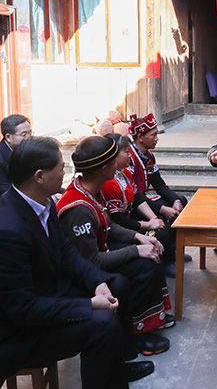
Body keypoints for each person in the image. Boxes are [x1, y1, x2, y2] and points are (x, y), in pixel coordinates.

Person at [0, 136, 154, 389]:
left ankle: (116, 366)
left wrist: (98, 283)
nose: (66, 172)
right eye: (60, 167)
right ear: (39, 176)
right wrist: (89, 304)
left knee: (116, 283)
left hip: (44, 295)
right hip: (16, 333)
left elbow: (67, 253)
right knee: (102, 322)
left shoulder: (40, 203)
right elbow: (23, 309)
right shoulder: (5, 231)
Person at [57, 134, 173, 356]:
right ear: (104, 168)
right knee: (144, 266)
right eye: (113, 159)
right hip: (84, 273)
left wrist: (139, 237)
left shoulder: (91, 189)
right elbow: (91, 261)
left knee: (151, 250)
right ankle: (137, 332)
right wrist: (136, 249)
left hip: (99, 252)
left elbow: (108, 224)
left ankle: (150, 320)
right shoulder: (78, 208)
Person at [102, 134, 177, 273]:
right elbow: (118, 219)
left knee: (164, 222)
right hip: (121, 229)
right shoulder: (109, 183)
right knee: (160, 235)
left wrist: (153, 218)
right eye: (126, 152)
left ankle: (169, 256)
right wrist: (147, 225)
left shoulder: (125, 173)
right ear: (114, 156)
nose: (130, 155)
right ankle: (164, 263)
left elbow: (137, 198)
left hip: (130, 219)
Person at [127, 112, 188, 222]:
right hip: (134, 205)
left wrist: (176, 200)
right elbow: (135, 195)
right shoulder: (129, 158)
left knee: (181, 200)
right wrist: (162, 209)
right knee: (163, 215)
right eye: (153, 135)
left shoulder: (150, 157)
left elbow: (159, 185)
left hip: (145, 201)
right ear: (140, 137)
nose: (157, 139)